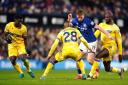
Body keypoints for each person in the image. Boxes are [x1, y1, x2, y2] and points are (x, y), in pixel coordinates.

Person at [67, 9, 113, 79]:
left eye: (81, 17)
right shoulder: (75, 20)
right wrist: (69, 19)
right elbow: (70, 26)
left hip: (92, 42)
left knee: (89, 60)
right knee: (77, 58)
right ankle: (80, 75)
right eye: (78, 17)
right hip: (84, 42)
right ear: (77, 16)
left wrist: (108, 34)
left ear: (83, 16)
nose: (79, 19)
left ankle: (97, 67)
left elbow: (99, 27)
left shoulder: (88, 21)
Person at [87, 10, 124, 79]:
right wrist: (89, 40)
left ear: (111, 18)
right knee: (107, 68)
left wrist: (120, 53)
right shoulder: (101, 25)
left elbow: (119, 41)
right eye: (105, 17)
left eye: (107, 17)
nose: (106, 18)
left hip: (112, 47)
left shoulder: (115, 28)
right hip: (104, 47)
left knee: (98, 56)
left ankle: (90, 75)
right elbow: (96, 34)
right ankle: (120, 71)